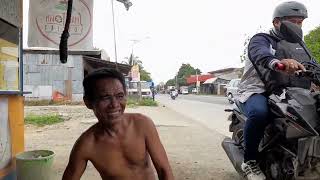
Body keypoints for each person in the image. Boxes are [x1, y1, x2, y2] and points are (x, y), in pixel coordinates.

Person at [237, 1, 314, 180]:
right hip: (256, 91)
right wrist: (278, 64)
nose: (296, 26)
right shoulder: (262, 39)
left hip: (287, 92)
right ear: (277, 22)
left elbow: (313, 65)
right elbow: (261, 54)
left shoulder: (300, 46)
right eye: (291, 22)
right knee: (259, 113)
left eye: (299, 22)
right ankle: (250, 162)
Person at [62, 68, 174, 180]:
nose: (114, 104)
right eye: (105, 97)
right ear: (88, 102)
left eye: (119, 96)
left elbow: (164, 170)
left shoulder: (142, 125)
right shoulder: (86, 145)